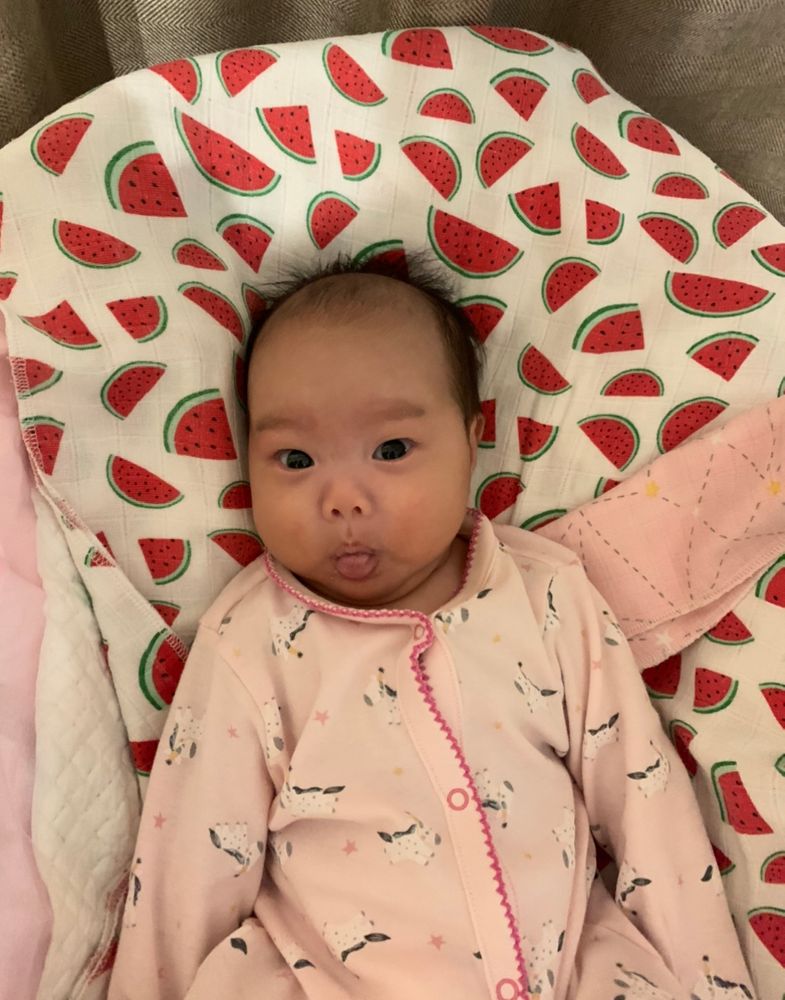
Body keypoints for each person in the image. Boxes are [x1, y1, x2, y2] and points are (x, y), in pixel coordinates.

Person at [108, 254, 755, 1000]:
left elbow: (644, 802)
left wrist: (712, 984)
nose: (343, 498)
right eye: (295, 458)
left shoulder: (546, 594)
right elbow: (185, 870)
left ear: (472, 442)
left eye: (391, 451)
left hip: (570, 968)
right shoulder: (248, 641)